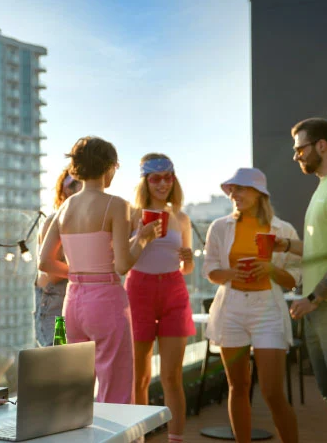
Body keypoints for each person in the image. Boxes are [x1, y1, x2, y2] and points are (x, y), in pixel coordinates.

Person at [39, 136, 159, 403]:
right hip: (106, 299)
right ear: (109, 167)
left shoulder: (64, 208)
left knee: (79, 384)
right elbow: (123, 264)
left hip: (73, 301)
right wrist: (143, 238)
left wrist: (80, 274)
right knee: (115, 386)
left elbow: (44, 262)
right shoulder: (117, 205)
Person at [203, 167, 300, 443]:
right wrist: (232, 274)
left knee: (272, 392)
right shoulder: (219, 227)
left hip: (267, 309)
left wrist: (269, 269)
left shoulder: (282, 230)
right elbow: (210, 271)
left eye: (241, 188)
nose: (234, 194)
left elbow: (294, 279)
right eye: (232, 189)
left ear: (259, 194)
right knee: (238, 386)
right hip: (231, 308)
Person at [284, 118, 327, 443]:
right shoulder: (323, 187)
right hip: (318, 311)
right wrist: (284, 245)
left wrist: (315, 298)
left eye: (300, 148)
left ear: (321, 145)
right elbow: (320, 249)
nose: (296, 156)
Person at [126, 154, 196, 443]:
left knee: (171, 376)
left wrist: (188, 259)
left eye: (169, 177)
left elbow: (188, 268)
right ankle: (139, 438)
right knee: (140, 377)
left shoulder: (181, 217)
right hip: (139, 289)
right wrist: (141, 236)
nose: (163, 183)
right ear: (145, 181)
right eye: (156, 178)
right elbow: (122, 259)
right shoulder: (131, 215)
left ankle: (176, 439)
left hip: (173, 290)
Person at [34, 168, 81, 347]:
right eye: (74, 184)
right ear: (64, 190)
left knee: (80, 363)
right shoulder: (54, 221)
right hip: (54, 300)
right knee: (59, 359)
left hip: (77, 297)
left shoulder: (90, 222)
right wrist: (88, 270)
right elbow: (49, 271)